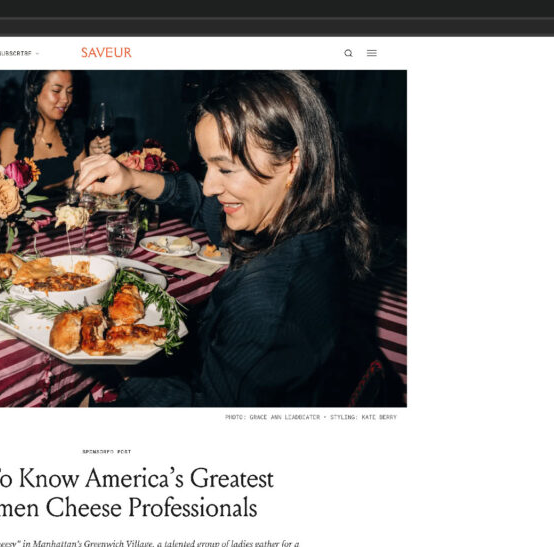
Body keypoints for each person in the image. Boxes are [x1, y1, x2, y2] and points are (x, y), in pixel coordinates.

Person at [77, 71, 386, 407]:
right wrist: (132, 177)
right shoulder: (315, 222)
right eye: (207, 166)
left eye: (225, 169)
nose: (210, 185)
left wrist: (133, 380)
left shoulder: (265, 300)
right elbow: (199, 200)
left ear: (294, 162)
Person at [0, 70, 108, 192]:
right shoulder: (12, 138)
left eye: (69, 91)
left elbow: (83, 192)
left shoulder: (74, 133)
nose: (65, 99)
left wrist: (93, 159)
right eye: (56, 90)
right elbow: (3, 196)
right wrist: (63, 185)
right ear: (34, 91)